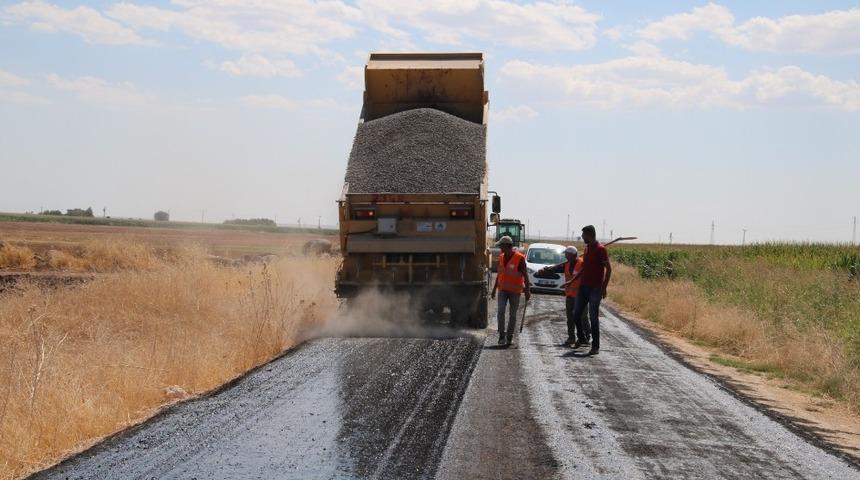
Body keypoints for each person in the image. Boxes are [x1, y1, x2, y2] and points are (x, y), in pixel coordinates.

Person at [565, 225, 612, 355]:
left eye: (583, 235)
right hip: (583, 287)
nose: (582, 237)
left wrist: (604, 288)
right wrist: (572, 280)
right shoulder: (587, 249)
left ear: (589, 235)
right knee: (575, 314)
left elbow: (609, 269)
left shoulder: (601, 249)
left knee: (593, 317)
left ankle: (595, 346)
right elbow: (584, 268)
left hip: (595, 289)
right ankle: (582, 338)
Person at [537, 246, 590, 347]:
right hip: (569, 295)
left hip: (581, 296)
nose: (565, 256)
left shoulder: (582, 264)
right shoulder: (566, 264)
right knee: (570, 318)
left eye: (567, 254)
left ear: (573, 255)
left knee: (583, 317)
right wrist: (545, 270)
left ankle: (586, 336)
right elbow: (554, 269)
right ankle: (571, 337)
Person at [490, 236, 531, 346]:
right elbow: (499, 274)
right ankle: (501, 335)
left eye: (501, 246)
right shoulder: (501, 257)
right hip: (502, 290)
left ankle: (509, 336)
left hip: (515, 291)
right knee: (500, 311)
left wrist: (527, 290)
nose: (500, 248)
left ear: (507, 246)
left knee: (513, 315)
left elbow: (525, 276)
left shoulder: (520, 258)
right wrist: (494, 289)